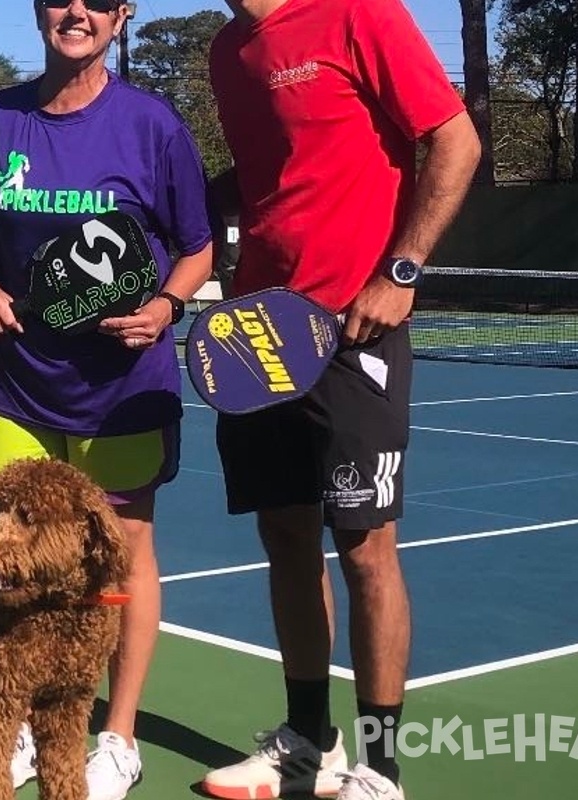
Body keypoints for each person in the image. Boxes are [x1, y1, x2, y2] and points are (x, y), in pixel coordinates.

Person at [198, 1, 481, 799]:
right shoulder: (229, 50)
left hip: (355, 331)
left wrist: (401, 270)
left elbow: (454, 138)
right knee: (285, 537)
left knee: (365, 550)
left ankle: (380, 770)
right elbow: (269, 173)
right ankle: (306, 743)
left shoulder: (359, 12)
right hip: (257, 335)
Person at [0, 2, 214, 798]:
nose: (78, 10)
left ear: (121, 15)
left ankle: (118, 735)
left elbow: (195, 246)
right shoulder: (0, 117)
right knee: (6, 564)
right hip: (18, 387)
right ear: (38, 10)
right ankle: (21, 726)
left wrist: (168, 306)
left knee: (122, 562)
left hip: (122, 395)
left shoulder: (152, 124)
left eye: (98, 0)